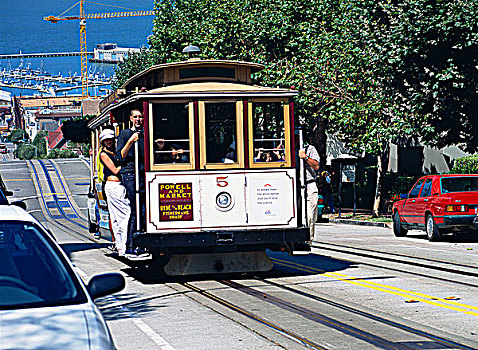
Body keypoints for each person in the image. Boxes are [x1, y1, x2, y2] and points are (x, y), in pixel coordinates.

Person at [116, 109, 146, 257]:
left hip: (144, 173)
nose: (138, 119)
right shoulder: (124, 134)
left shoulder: (146, 134)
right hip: (130, 174)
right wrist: (130, 141)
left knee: (145, 210)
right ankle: (130, 245)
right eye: (135, 117)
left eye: (140, 117)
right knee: (136, 209)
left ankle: (142, 244)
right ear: (131, 118)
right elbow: (120, 156)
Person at [99, 129, 130, 257]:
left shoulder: (114, 152)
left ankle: (120, 247)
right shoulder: (103, 154)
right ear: (103, 141)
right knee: (125, 215)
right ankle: (124, 246)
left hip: (116, 186)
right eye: (106, 140)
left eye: (111, 139)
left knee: (117, 218)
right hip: (113, 186)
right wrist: (129, 164)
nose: (109, 141)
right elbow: (115, 170)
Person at [296, 136, 320, 241]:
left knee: (310, 215)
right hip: (296, 185)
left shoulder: (310, 149)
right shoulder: (289, 150)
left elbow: (316, 166)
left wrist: (305, 157)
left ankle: (308, 239)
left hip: (310, 184)